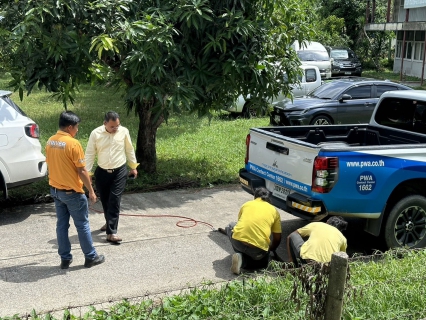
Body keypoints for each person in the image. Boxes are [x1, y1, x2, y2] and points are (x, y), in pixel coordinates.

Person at [45, 111, 105, 269]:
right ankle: (91, 257)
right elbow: (82, 171)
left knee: (61, 225)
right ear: (70, 127)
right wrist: (91, 191)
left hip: (56, 191)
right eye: (76, 127)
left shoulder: (50, 141)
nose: (77, 130)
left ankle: (65, 258)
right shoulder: (73, 144)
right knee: (82, 225)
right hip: (72, 193)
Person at [85, 111, 139, 243]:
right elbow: (90, 154)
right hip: (102, 171)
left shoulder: (124, 131)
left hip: (119, 171)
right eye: (112, 126)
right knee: (105, 199)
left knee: (114, 199)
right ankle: (109, 222)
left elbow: (129, 149)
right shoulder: (95, 133)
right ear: (105, 124)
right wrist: (88, 173)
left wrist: (133, 166)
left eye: (117, 126)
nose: (115, 129)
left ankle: (112, 232)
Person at [220, 187, 282, 275]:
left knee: (231, 225)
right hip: (258, 251)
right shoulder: (275, 211)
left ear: (255, 196)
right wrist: (271, 249)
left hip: (238, 243)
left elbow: (240, 225)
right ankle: (244, 261)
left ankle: (240, 256)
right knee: (261, 265)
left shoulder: (246, 204)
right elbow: (277, 238)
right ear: (268, 198)